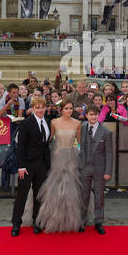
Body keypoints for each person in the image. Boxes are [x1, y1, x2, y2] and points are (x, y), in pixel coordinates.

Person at [35, 98, 83, 234]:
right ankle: (48, 218)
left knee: (72, 188)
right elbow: (48, 139)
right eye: (66, 108)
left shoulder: (77, 123)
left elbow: (80, 142)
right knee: (53, 187)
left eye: (71, 108)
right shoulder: (54, 122)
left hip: (71, 158)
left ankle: (73, 220)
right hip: (56, 157)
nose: (69, 111)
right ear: (61, 109)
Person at [11, 98, 51, 237]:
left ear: (46, 108)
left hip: (42, 165)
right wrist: (20, 166)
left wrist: (47, 164)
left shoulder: (48, 122)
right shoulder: (26, 123)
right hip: (27, 165)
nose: (40, 110)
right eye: (37, 107)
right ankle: (16, 223)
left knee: (38, 196)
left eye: (42, 107)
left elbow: (46, 144)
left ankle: (37, 222)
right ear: (32, 109)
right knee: (22, 195)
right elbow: (20, 146)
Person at [79, 104, 113, 235]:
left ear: (98, 115)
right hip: (84, 166)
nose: (93, 117)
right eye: (90, 114)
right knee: (83, 195)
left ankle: (98, 221)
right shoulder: (81, 128)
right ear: (86, 115)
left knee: (99, 196)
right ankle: (81, 221)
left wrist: (108, 171)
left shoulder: (106, 132)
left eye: (95, 114)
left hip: (99, 168)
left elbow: (109, 153)